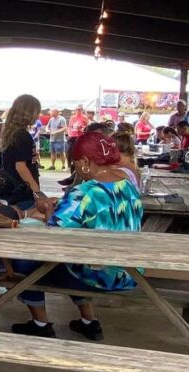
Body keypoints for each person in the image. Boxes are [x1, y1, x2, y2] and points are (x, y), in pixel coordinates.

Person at [11, 132, 142, 342]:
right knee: (76, 260)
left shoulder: (85, 192)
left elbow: (55, 233)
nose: (76, 169)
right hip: (130, 272)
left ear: (86, 162)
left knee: (24, 261)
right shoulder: (128, 185)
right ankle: (89, 322)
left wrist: (46, 209)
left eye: (76, 163)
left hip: (100, 277)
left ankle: (40, 324)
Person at [0, 94, 51, 211]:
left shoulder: (11, 134)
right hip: (23, 192)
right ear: (28, 113)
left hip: (12, 189)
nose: (38, 115)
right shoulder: (23, 136)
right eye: (37, 112)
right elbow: (20, 167)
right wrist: (37, 191)